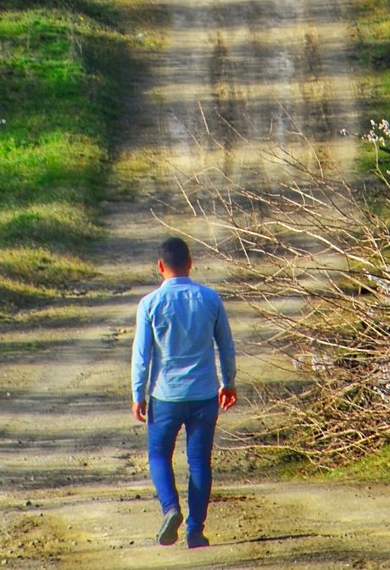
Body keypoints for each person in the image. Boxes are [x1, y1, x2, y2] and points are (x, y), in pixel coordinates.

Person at [130, 235, 237, 548]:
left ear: (160, 267)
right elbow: (226, 346)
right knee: (200, 463)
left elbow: (142, 355)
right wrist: (228, 381)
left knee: (158, 455)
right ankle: (195, 530)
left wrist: (138, 393)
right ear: (191, 264)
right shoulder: (210, 299)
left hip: (165, 396)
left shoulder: (149, 304)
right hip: (204, 395)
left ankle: (170, 508)